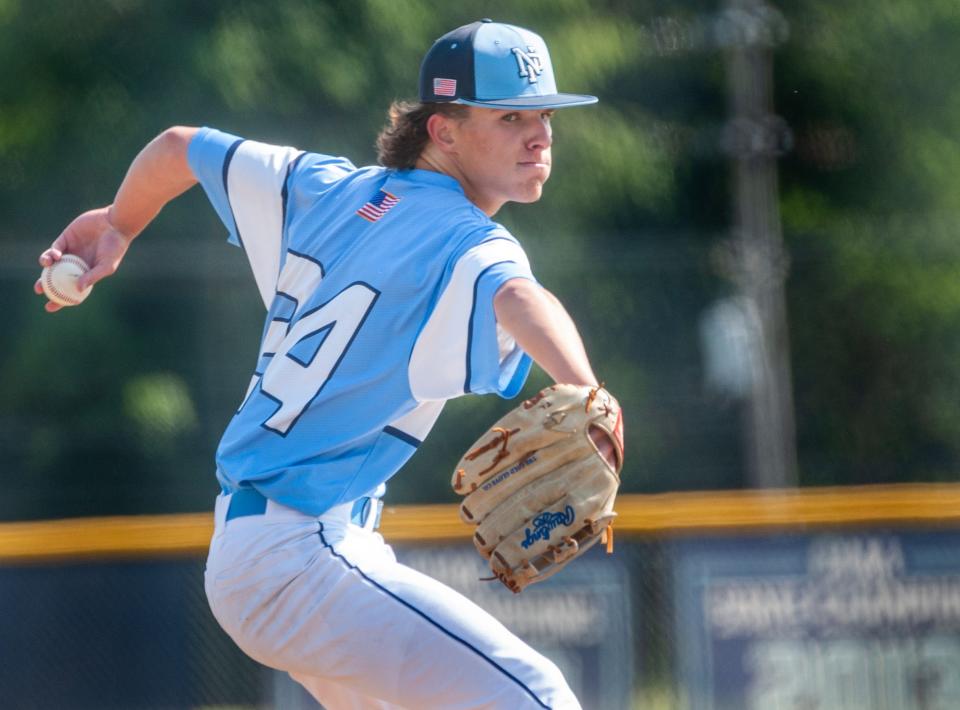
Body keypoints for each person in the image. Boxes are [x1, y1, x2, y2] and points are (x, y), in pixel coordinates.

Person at [36, 19, 616, 710]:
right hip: (301, 555)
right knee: (538, 696)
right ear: (444, 131)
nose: (539, 134)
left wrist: (118, 224)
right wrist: (590, 393)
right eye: (511, 115)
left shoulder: (323, 188)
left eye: (546, 114)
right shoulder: (467, 238)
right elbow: (520, 296)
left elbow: (178, 148)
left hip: (277, 551)